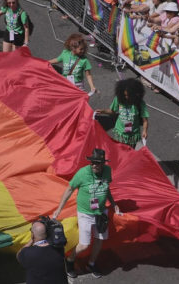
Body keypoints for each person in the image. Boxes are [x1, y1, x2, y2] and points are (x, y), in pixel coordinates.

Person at [52, 149, 121, 278]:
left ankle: (91, 263)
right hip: (85, 213)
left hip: (101, 213)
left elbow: (107, 189)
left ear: (103, 163)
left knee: (99, 240)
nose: (94, 165)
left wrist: (113, 203)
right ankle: (70, 260)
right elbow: (69, 189)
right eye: (92, 162)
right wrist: (59, 208)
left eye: (97, 163)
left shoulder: (107, 171)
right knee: (84, 245)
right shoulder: (82, 173)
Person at [95, 78, 149, 149]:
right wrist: (102, 111)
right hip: (120, 134)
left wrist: (145, 130)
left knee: (130, 153)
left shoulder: (140, 103)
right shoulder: (119, 99)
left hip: (132, 135)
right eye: (125, 95)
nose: (126, 97)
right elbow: (112, 111)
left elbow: (145, 120)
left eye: (129, 95)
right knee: (119, 152)